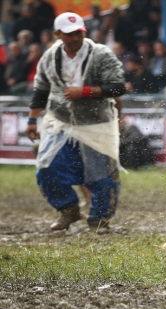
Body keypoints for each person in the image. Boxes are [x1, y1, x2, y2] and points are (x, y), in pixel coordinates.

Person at [25, 12, 125, 231]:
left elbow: (118, 87)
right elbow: (41, 89)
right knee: (47, 167)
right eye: (69, 34)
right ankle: (68, 210)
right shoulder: (50, 56)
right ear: (58, 34)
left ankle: (100, 219)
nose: (75, 38)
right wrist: (32, 120)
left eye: (79, 33)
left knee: (102, 173)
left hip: (96, 121)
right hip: (61, 120)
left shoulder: (101, 54)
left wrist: (86, 92)